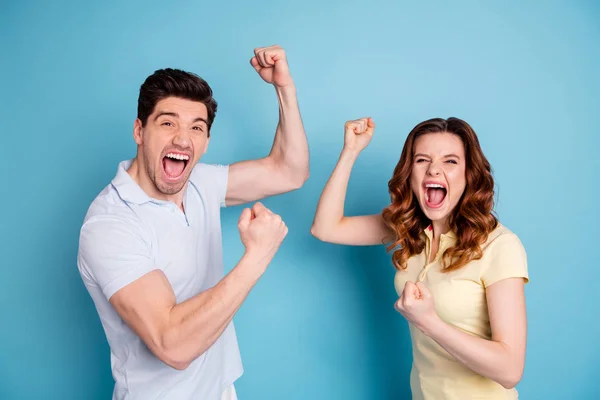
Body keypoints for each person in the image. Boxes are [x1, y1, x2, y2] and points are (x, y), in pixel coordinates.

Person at [77, 45, 309, 400]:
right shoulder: (110, 223)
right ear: (139, 131)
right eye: (167, 123)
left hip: (219, 390)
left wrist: (284, 89)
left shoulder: (199, 181)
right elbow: (173, 345)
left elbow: (289, 171)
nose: (182, 139)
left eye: (196, 128)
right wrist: (257, 257)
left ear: (206, 141)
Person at [310, 117, 528, 399]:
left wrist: (429, 322)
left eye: (450, 161)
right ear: (409, 173)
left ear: (469, 175)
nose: (434, 170)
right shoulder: (409, 230)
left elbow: (510, 371)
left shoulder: (500, 246)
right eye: (422, 160)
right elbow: (325, 228)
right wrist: (350, 151)